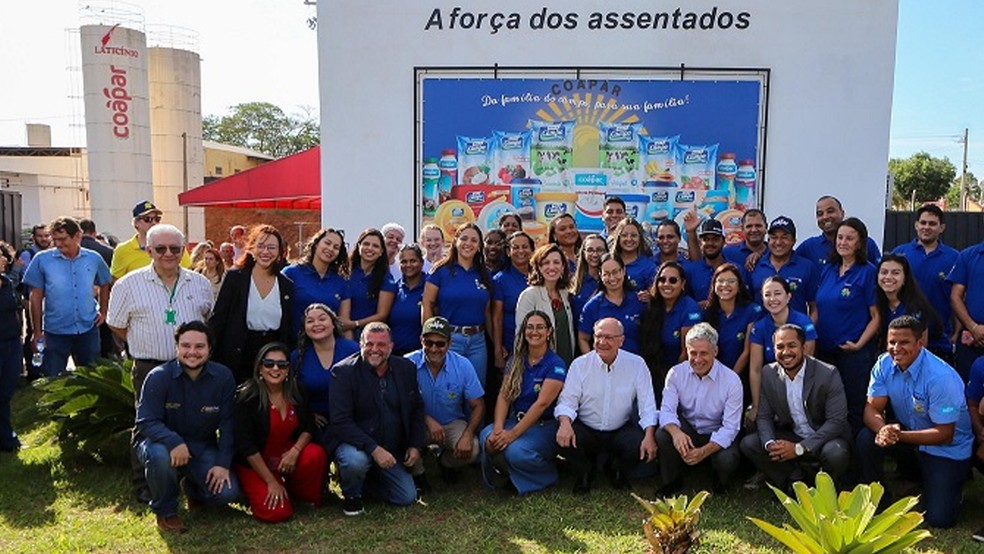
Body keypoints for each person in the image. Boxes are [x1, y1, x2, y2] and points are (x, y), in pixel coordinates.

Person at [106, 224, 213, 502]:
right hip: (148, 367)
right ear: (148, 250)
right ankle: (144, 483)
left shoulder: (199, 284)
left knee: (190, 421)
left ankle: (189, 479)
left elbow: (207, 319)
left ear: (184, 250)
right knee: (147, 424)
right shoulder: (128, 284)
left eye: (175, 248)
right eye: (161, 248)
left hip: (191, 367)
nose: (168, 254)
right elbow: (116, 325)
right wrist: (145, 340)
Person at [857, 315, 972, 528]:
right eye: (892, 342)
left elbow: (945, 434)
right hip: (911, 438)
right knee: (867, 438)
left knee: (939, 519)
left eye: (904, 342)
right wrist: (883, 430)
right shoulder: (883, 364)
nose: (896, 348)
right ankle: (878, 502)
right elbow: (871, 408)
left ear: (920, 343)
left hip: (946, 447)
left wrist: (897, 435)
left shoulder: (940, 378)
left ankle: (954, 486)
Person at [134, 321, 242, 533]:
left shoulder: (223, 377)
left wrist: (222, 463)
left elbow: (228, 423)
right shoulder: (159, 377)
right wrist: (174, 442)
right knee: (159, 456)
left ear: (210, 348)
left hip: (201, 446)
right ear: (177, 348)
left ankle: (193, 488)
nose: (192, 352)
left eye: (199, 346)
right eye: (186, 346)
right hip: (160, 445)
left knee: (227, 493)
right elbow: (146, 420)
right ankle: (166, 511)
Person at [328, 323, 425, 515]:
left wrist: (415, 445)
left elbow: (416, 409)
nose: (374, 350)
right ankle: (352, 496)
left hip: (391, 449)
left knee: (406, 497)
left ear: (391, 346)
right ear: (360, 344)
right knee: (355, 461)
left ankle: (366, 483)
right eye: (369, 344)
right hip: (356, 445)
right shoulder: (343, 373)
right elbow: (340, 422)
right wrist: (374, 449)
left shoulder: (406, 368)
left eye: (381, 345)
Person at [740, 324, 851, 491]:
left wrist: (800, 448)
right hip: (793, 435)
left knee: (836, 453)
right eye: (780, 347)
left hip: (825, 438)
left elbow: (836, 422)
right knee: (751, 443)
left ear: (804, 348)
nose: (786, 352)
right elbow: (764, 416)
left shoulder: (828, 374)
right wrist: (770, 444)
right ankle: (794, 478)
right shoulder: (769, 373)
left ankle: (827, 487)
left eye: (791, 346)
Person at [555, 318, 658, 494]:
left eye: (609, 338)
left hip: (620, 429)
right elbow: (567, 402)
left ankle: (616, 469)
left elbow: (647, 405)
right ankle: (585, 471)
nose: (602, 342)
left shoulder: (637, 364)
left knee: (638, 442)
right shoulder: (580, 365)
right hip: (587, 428)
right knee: (561, 438)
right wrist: (564, 424)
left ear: (621, 340)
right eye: (599, 336)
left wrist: (650, 436)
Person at [234, 342, 327, 523]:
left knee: (315, 454)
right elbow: (246, 446)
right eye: (269, 364)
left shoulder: (297, 390)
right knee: (277, 513)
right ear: (260, 368)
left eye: (282, 365)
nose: (275, 368)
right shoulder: (246, 397)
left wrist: (295, 451)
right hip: (255, 461)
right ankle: (249, 490)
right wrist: (270, 481)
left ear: (287, 370)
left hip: (285, 454)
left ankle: (298, 495)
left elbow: (309, 426)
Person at [480, 310, 567, 494]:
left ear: (549, 331)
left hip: (544, 424)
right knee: (487, 437)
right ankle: (511, 475)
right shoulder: (516, 360)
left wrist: (511, 435)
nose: (534, 332)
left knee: (516, 451)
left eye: (540, 327)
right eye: (530, 327)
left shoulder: (555, 364)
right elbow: (504, 396)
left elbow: (541, 404)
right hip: (516, 419)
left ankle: (548, 474)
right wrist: (498, 428)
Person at [656, 323, 743, 495]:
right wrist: (676, 433)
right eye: (693, 353)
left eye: (703, 353)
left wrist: (704, 451)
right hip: (689, 429)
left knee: (728, 458)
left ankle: (719, 480)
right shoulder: (676, 373)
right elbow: (666, 411)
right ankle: (672, 481)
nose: (697, 359)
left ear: (715, 352)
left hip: (716, 431)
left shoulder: (731, 380)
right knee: (664, 434)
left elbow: (731, 427)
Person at [814, 217, 880, 433]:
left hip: (853, 353)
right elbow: (817, 308)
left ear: (860, 242)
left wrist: (859, 344)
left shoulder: (868, 272)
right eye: (840, 237)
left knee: (853, 405)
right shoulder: (828, 269)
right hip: (825, 351)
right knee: (826, 405)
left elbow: (876, 316)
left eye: (849, 238)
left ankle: (854, 457)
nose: (843, 242)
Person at [23, 217, 112, 377]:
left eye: (63, 239)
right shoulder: (42, 260)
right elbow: (35, 297)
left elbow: (105, 282)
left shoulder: (93, 258)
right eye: (55, 239)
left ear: (78, 235)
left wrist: (104, 310)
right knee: (54, 379)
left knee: (92, 378)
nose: (58, 244)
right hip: (55, 331)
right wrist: (37, 332)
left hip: (87, 328)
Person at [405, 317, 485, 491]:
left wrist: (468, 434)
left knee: (473, 449)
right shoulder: (407, 364)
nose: (434, 349)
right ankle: (418, 474)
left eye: (440, 344)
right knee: (399, 434)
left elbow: (478, 405)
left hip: (451, 422)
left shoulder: (463, 365)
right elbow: (400, 404)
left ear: (450, 343)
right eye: (428, 342)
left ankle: (446, 463)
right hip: (417, 423)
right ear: (421, 341)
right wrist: (427, 420)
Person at [210, 224, 295, 383]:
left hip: (272, 357)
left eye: (271, 247)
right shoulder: (235, 278)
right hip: (239, 354)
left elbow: (288, 328)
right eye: (261, 246)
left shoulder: (286, 285)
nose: (266, 252)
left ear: (279, 253)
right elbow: (219, 318)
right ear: (251, 249)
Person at [422, 222, 493, 387]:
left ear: (479, 245)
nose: (469, 243)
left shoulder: (484, 273)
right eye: (464, 238)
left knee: (475, 391)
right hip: (449, 340)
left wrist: (496, 345)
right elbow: (427, 303)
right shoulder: (440, 271)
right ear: (455, 241)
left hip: (478, 342)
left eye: (474, 240)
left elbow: (488, 312)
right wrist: (430, 337)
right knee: (449, 390)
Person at [891, 204, 958, 364]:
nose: (926, 227)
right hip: (902, 340)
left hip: (940, 340)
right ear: (916, 225)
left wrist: (956, 333)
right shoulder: (900, 253)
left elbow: (958, 298)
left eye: (932, 224)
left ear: (941, 228)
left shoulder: (954, 258)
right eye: (923, 223)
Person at [748, 276, 818, 425]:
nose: (772, 299)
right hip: (773, 386)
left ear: (788, 296)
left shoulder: (804, 323)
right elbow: (755, 369)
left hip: (801, 385)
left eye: (778, 293)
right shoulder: (759, 327)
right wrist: (756, 405)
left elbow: (806, 362)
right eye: (767, 295)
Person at [291, 303, 359, 446]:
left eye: (322, 319)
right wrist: (307, 415)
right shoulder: (297, 357)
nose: (316, 324)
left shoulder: (353, 350)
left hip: (350, 423)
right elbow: (290, 394)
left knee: (355, 462)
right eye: (310, 321)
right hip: (312, 428)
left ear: (333, 324)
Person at [639, 261, 702, 400]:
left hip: (679, 376)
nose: (666, 284)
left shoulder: (690, 308)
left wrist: (671, 383)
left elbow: (686, 353)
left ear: (683, 284)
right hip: (652, 372)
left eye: (673, 280)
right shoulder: (651, 306)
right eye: (662, 280)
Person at [281, 228, 351, 335]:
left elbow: (343, 324)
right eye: (327, 243)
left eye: (336, 247)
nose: (331, 249)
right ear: (316, 243)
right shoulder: (291, 273)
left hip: (327, 347)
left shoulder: (341, 283)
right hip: (293, 344)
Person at [516, 244, 576, 365]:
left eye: (556, 262)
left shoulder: (565, 294)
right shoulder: (529, 295)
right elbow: (521, 335)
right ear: (538, 267)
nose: (551, 267)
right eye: (546, 263)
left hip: (567, 359)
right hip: (540, 364)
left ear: (563, 266)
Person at [746, 216, 819, 316]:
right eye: (774, 237)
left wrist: (807, 329)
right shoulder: (754, 265)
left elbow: (814, 306)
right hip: (762, 330)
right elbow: (746, 304)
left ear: (793, 241)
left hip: (795, 329)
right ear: (768, 240)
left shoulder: (807, 267)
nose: (778, 242)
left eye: (784, 237)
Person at [875, 254, 945, 354]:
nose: (888, 277)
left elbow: (920, 348)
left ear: (905, 278)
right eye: (884, 272)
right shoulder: (876, 304)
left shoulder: (916, 308)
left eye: (895, 273)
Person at [577, 254, 646, 355]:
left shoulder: (639, 301)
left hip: (635, 364)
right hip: (604, 366)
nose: (612, 278)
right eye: (606, 274)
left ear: (623, 271)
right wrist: (593, 362)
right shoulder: (592, 306)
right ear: (600, 275)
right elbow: (583, 338)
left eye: (615, 272)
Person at [110, 201, 192, 280]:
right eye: (147, 219)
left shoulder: (174, 245)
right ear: (136, 223)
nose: (153, 223)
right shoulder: (123, 250)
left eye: (157, 219)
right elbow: (116, 280)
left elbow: (188, 271)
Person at [795, 195, 881, 268]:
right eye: (820, 214)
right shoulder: (808, 247)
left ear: (842, 213)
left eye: (830, 211)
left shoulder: (867, 243)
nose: (825, 217)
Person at [342, 228, 397, 339]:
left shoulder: (386, 279)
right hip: (342, 334)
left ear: (381, 251)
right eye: (366, 244)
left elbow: (382, 315)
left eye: (375, 246)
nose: (370, 248)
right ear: (358, 246)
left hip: (370, 337)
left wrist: (354, 324)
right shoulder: (345, 272)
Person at [492, 232, 534, 369]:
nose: (521, 251)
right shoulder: (500, 280)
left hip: (539, 345)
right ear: (508, 252)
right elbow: (497, 318)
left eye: (525, 247)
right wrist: (498, 350)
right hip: (511, 346)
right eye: (515, 247)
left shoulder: (541, 275)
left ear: (532, 250)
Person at [947, 225, 984, 381]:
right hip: (971, 343)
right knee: (967, 398)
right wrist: (974, 328)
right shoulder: (968, 255)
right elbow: (956, 297)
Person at [80, 218, 118, 359]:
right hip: (104, 299)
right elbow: (112, 278)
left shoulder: (71, 250)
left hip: (80, 304)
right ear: (94, 233)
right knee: (104, 342)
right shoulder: (107, 251)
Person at [17, 224, 51, 380]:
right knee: (34, 334)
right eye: (40, 236)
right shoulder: (27, 255)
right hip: (34, 302)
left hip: (52, 304)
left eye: (46, 235)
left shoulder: (53, 254)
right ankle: (34, 371)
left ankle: (46, 368)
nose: (44, 239)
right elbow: (29, 281)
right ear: (33, 237)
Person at [0, 243, 23, 452]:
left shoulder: (7, 283)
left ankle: (6, 436)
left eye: (2, 256)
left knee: (6, 392)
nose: (3, 260)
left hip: (11, 343)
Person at [389, 244, 426, 356]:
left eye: (413, 261)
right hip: (395, 355)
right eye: (404, 262)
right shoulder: (394, 288)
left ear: (421, 263)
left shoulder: (430, 287)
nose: (408, 265)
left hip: (422, 355)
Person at [682, 218, 727, 303]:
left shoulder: (735, 269)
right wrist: (696, 307)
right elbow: (684, 302)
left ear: (723, 241)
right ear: (700, 242)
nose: (710, 243)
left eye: (715, 239)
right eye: (706, 239)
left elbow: (742, 302)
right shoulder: (690, 271)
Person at [611, 218, 656, 295]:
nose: (629, 239)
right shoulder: (609, 262)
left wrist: (648, 297)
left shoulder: (649, 267)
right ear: (618, 238)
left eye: (634, 235)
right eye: (624, 235)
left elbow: (654, 296)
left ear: (640, 238)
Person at [569, 234, 606, 321]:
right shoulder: (574, 282)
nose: (595, 254)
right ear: (583, 253)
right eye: (590, 250)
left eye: (599, 250)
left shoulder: (613, 281)